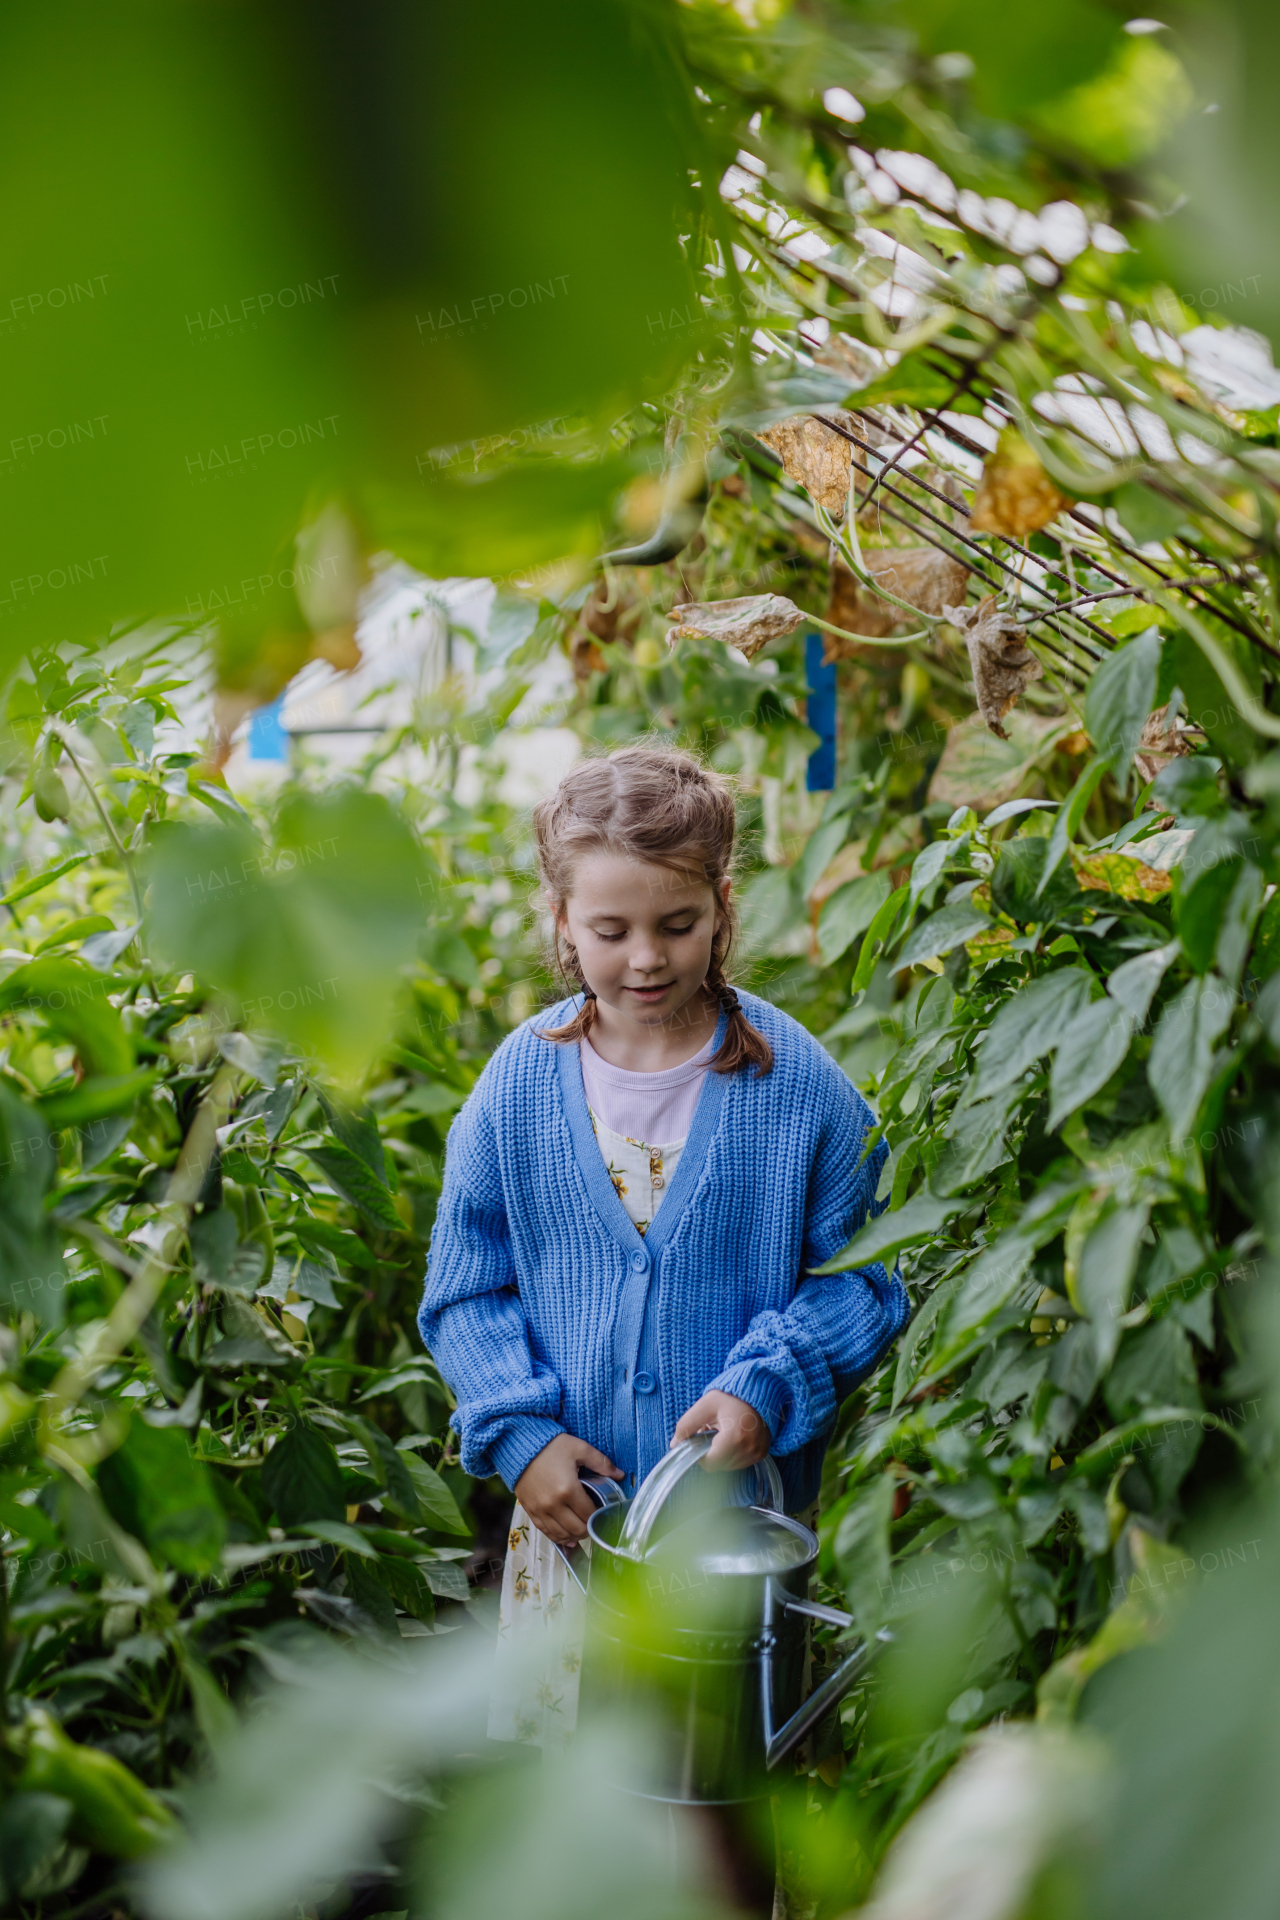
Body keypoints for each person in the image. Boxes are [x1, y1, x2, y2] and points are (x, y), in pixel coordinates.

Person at [417, 744, 908, 1749]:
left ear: (722, 910)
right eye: (611, 929)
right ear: (559, 921)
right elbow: (465, 1291)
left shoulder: (796, 1088)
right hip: (567, 1531)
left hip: (731, 1543)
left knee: (709, 1792)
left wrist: (766, 1386)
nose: (645, 957)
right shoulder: (517, 1088)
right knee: (571, 1802)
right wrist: (519, 1437)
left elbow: (865, 1276)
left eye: (675, 925)